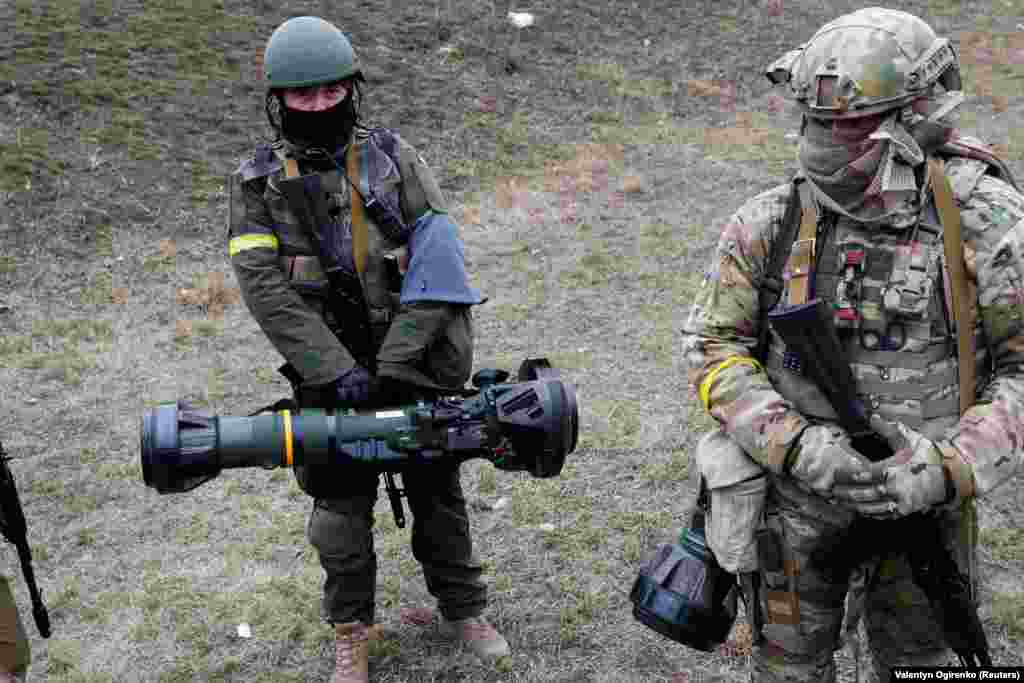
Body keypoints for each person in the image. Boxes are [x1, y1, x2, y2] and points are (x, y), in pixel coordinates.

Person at [682, 7, 1024, 682]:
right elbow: (712, 345)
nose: (827, 145)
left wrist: (946, 466)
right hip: (797, 508)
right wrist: (804, 447)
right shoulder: (770, 220)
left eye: (851, 128)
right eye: (817, 124)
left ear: (917, 119)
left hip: (927, 508)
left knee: (924, 663)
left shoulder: (986, 221)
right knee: (787, 667)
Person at [227, 16, 509, 683]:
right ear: (280, 100)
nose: (321, 104)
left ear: (352, 88)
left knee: (439, 491)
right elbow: (265, 289)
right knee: (339, 512)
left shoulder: (393, 156)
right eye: (305, 94)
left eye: (332, 90)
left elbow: (439, 261)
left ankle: (463, 608)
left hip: (416, 362)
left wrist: (397, 362)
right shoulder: (256, 183)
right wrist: (336, 371)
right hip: (332, 378)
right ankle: (351, 631)